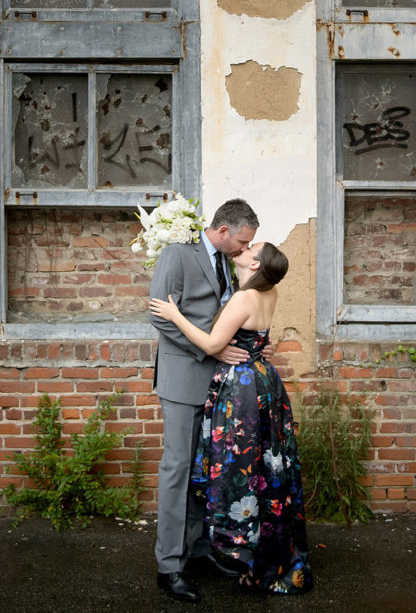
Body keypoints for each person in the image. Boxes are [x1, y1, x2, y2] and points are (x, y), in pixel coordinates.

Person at [150, 240, 313, 596]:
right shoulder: (268, 293)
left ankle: (240, 546)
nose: (246, 247)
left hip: (241, 389)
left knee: (238, 470)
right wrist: (261, 346)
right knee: (265, 471)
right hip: (264, 380)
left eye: (251, 247)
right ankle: (253, 547)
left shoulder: (243, 298)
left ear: (255, 266)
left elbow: (211, 346)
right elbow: (258, 336)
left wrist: (175, 315)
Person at [149, 198, 260, 603]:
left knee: (201, 472)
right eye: (243, 241)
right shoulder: (178, 255)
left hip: (217, 385)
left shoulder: (229, 263)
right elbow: (160, 316)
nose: (246, 249)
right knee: (177, 470)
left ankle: (197, 550)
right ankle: (169, 566)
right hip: (182, 381)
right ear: (224, 231)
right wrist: (212, 351)